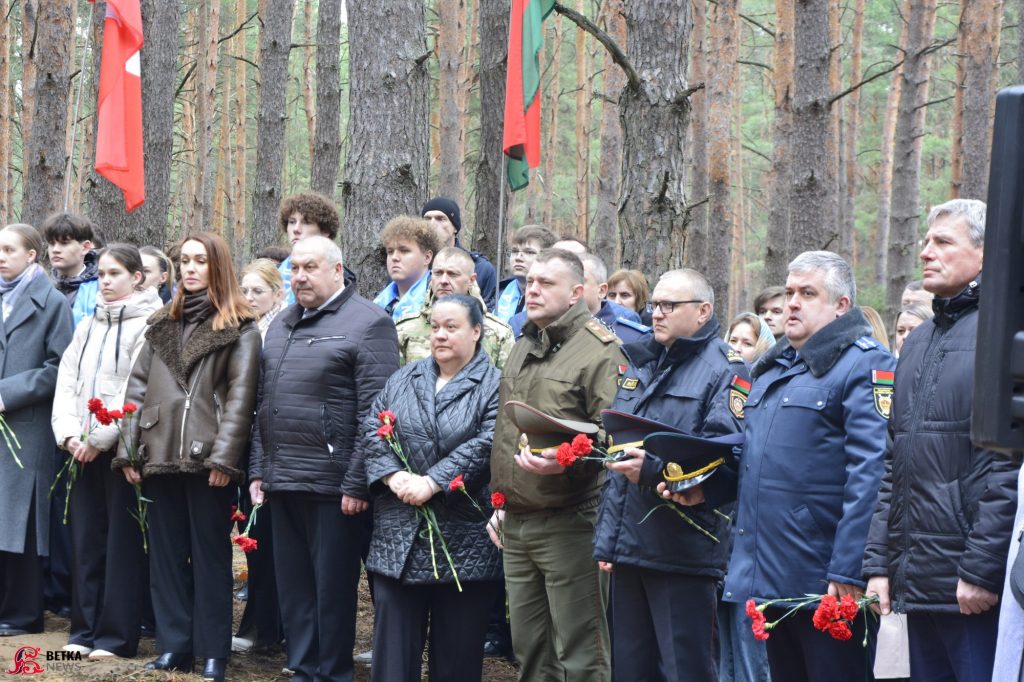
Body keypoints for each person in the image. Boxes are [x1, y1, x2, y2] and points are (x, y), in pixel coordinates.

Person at [863, 199, 1019, 682]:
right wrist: (880, 564)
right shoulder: (921, 341)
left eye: (943, 242)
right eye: (926, 242)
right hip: (918, 580)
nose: (926, 253)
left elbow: (1008, 465)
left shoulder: (1004, 338)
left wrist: (981, 569)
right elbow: (895, 464)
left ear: (986, 253)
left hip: (970, 588)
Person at [721, 251, 895, 682]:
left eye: (807, 293)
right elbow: (756, 462)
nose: (792, 303)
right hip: (773, 571)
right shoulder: (777, 367)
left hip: (827, 579)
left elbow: (871, 470)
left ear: (840, 306)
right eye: (790, 292)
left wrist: (849, 567)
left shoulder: (864, 362)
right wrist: (700, 484)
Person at [249, 236, 399, 681]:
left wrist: (357, 482)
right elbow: (264, 402)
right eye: (294, 269)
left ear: (337, 270)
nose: (299, 277)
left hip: (333, 486)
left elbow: (378, 414)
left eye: (310, 268)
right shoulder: (281, 324)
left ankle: (333, 672)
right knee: (294, 589)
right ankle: (302, 668)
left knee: (331, 590)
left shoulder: (369, 323)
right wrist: (259, 468)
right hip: (283, 478)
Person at [116, 232, 261, 681]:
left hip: (207, 460)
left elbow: (241, 399)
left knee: (211, 556)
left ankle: (213, 650)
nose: (191, 268)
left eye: (201, 260)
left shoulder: (241, 326)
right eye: (185, 261)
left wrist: (223, 460)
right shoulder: (162, 323)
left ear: (218, 266)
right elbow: (136, 390)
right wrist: (128, 451)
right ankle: (174, 645)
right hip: (159, 452)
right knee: (165, 554)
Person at [593, 269, 750, 681]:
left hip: (683, 550)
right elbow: (619, 439)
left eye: (668, 306)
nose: (656, 314)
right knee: (628, 670)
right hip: (630, 546)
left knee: (684, 670)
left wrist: (656, 471)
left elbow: (726, 455)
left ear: (702, 312)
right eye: (654, 306)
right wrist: (611, 543)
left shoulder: (725, 371)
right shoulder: (640, 359)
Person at [487, 249, 626, 681]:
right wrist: (501, 503)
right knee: (530, 649)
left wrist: (565, 463)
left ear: (576, 293)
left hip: (572, 520)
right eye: (530, 282)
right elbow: (507, 431)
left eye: (546, 283)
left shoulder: (601, 350)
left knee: (581, 650)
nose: (533, 289)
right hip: (518, 519)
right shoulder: (524, 342)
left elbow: (616, 437)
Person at [363, 294, 503, 682]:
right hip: (399, 532)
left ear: (476, 331)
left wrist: (433, 481)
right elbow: (373, 428)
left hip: (462, 539)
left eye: (451, 327)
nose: (439, 335)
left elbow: (489, 442)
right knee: (392, 658)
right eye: (435, 327)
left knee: (456, 657)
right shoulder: (405, 377)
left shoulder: (494, 385)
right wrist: (393, 476)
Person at [51, 244, 161, 659]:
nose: (107, 281)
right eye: (102, 275)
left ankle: (115, 636)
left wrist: (98, 439)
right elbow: (67, 379)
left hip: (118, 451)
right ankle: (83, 630)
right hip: (79, 449)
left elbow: (135, 388)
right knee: (85, 539)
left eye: (116, 274)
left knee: (121, 543)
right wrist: (68, 433)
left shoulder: (149, 323)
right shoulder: (89, 323)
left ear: (137, 277)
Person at [0, 223, 74, 636]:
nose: (2, 256)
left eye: (10, 249)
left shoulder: (52, 302)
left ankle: (24, 613)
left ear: (32, 255)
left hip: (27, 428)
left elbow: (58, 367)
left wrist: (7, 393)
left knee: (23, 522)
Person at [230, 259, 286, 655]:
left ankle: (264, 625)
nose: (250, 298)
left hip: (271, 445)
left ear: (277, 294)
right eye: (244, 291)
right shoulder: (240, 329)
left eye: (258, 292)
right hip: (243, 442)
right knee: (251, 534)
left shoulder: (279, 331)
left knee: (266, 537)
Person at [395, 246, 514, 369]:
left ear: (471, 280)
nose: (444, 280)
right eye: (438, 273)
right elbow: (394, 384)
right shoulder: (405, 329)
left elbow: (507, 385)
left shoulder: (499, 334)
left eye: (452, 274)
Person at [509, 254, 648, 343]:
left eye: (581, 280)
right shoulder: (526, 328)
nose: (572, 287)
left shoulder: (629, 335)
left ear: (601, 290)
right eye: (530, 282)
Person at [422, 197, 498, 310]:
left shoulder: (481, 268)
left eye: (440, 218)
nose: (432, 224)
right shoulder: (411, 265)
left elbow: (487, 316)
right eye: (427, 218)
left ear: (455, 228)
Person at [276, 191, 342, 305]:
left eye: (306, 222)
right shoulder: (275, 272)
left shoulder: (338, 275)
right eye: (292, 222)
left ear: (325, 230)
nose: (296, 229)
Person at [375, 216, 441, 321]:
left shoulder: (441, 299)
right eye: (390, 251)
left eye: (404, 251)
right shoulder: (378, 304)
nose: (395, 258)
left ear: (427, 257)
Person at [43, 212, 101, 326]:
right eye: (51, 243)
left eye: (64, 243)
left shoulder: (101, 288)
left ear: (85, 247)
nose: (55, 249)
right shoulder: (41, 285)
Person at [494, 225, 556, 323]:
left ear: (547, 257)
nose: (518, 257)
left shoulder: (553, 300)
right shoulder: (499, 292)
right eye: (514, 251)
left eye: (529, 252)